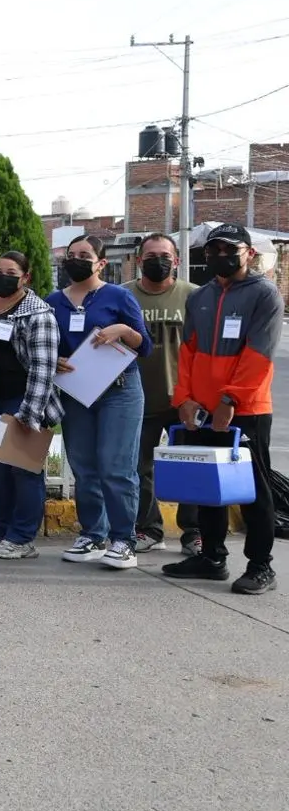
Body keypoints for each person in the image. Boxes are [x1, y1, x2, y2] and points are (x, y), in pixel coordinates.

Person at [163, 223, 281, 595]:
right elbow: (188, 353)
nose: (218, 256)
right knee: (207, 486)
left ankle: (261, 566)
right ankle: (212, 558)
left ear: (248, 252)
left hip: (245, 409)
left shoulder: (265, 295)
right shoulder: (201, 296)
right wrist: (183, 397)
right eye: (212, 250)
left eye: (228, 249)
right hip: (201, 408)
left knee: (253, 490)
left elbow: (258, 354)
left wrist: (231, 400)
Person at [48, 234, 153, 569]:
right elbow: (46, 344)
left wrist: (122, 328)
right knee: (84, 466)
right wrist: (55, 359)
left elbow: (144, 345)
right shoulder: (53, 301)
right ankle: (93, 534)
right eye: (72, 254)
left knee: (116, 466)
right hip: (77, 391)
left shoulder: (118, 296)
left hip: (119, 391)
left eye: (85, 254)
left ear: (101, 263)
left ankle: (124, 540)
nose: (77, 259)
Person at [0, 252, 63, 559]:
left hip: (23, 400)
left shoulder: (39, 314)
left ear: (25, 277)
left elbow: (44, 368)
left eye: (11, 272)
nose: (3, 276)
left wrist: (31, 412)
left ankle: (22, 537)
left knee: (24, 471)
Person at [124, 232, 200, 554]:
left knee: (191, 466)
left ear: (177, 261)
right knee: (139, 468)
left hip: (184, 399)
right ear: (139, 260)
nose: (158, 261)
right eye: (151, 255)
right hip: (136, 398)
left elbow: (205, 351)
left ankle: (194, 532)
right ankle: (149, 529)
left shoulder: (195, 296)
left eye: (165, 255)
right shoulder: (123, 295)